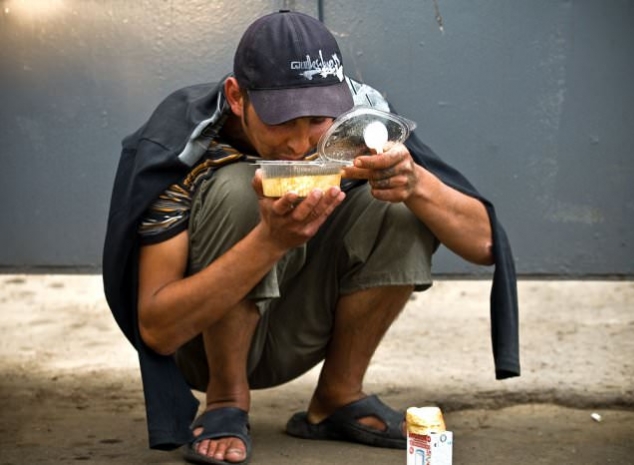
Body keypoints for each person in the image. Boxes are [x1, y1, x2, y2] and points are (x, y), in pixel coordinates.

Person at [103, 9, 520, 465]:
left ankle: (338, 395)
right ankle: (227, 399)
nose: (300, 144)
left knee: (400, 202)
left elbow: (484, 245)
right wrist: (270, 241)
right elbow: (158, 331)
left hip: (300, 329)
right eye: (282, 120)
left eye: (318, 118)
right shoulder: (184, 142)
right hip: (197, 343)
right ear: (237, 97)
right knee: (241, 189)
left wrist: (415, 183)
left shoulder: (359, 121)